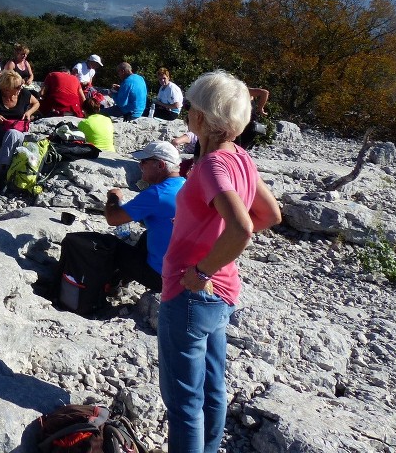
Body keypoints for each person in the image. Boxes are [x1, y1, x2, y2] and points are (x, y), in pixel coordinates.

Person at [158, 70, 281, 453]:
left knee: (184, 404)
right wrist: (213, 240)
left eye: (192, 106)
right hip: (223, 292)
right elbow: (270, 214)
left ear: (202, 117)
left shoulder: (212, 166)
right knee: (212, 391)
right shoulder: (240, 157)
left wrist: (201, 269)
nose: (188, 112)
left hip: (191, 291)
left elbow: (243, 228)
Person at [103, 142, 184, 291]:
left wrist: (113, 197)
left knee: (108, 245)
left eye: (144, 162)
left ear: (160, 165)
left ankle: (104, 288)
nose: (140, 166)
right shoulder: (184, 184)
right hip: (182, 274)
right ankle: (118, 282)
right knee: (146, 236)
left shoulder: (157, 193)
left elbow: (113, 218)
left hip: (161, 278)